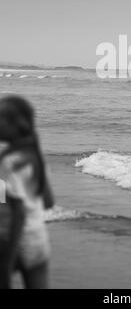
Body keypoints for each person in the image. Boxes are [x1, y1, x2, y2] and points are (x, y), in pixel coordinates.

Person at [0, 96, 54, 289]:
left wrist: (7, 261)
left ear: (17, 125)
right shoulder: (35, 158)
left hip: (14, 242)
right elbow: (48, 202)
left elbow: (18, 214)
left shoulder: (10, 163)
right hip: (39, 241)